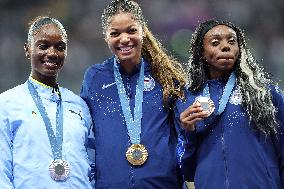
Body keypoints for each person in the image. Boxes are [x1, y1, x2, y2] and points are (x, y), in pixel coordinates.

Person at [80, 0, 188, 188]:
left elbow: (183, 134)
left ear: (142, 31)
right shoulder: (95, 78)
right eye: (115, 33)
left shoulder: (165, 76)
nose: (124, 39)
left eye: (131, 30)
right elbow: (85, 135)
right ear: (106, 37)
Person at [177, 19, 284, 188]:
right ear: (201, 53)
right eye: (215, 42)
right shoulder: (186, 100)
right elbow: (186, 171)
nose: (225, 46)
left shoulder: (265, 94)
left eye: (232, 41)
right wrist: (188, 133)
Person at [0, 16, 94, 188]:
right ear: (28, 49)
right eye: (43, 46)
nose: (52, 53)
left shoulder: (79, 105)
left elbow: (92, 165)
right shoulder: (6, 104)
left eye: (60, 47)